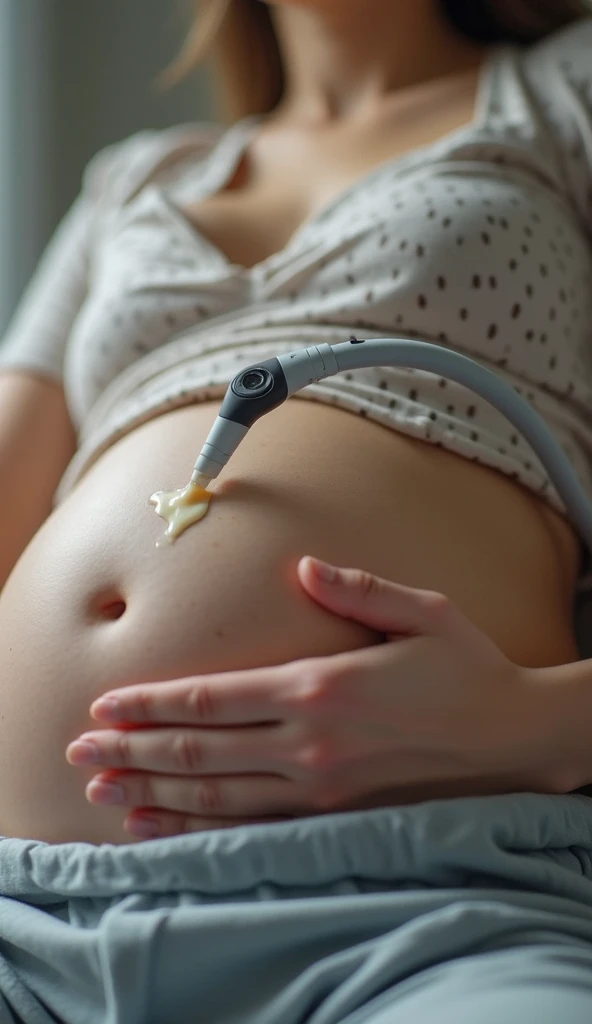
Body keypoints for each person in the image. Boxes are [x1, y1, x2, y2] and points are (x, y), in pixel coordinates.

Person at [0, 0, 592, 853]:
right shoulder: (127, 186)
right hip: (40, 911)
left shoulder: (565, 93)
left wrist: (534, 724)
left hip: (418, 887)